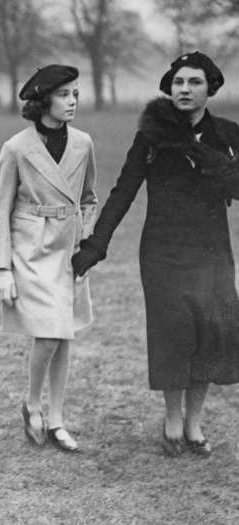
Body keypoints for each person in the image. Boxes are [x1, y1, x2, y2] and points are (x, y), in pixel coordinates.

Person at [72, 51, 239, 457]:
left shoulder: (229, 135)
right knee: (171, 335)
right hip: (163, 252)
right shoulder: (151, 136)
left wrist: (202, 156)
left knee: (208, 334)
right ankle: (172, 420)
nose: (185, 89)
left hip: (212, 251)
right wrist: (96, 244)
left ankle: (195, 423)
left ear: (210, 88)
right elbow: (124, 190)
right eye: (178, 82)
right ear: (169, 87)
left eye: (194, 82)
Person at [0, 65, 98, 453]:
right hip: (31, 249)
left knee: (63, 333)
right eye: (64, 94)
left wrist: (86, 240)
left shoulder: (84, 143)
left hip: (69, 251)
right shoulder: (17, 148)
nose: (72, 101)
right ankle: (33, 402)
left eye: (75, 94)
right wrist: (1, 267)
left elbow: (89, 197)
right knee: (52, 330)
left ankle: (56, 419)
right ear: (43, 100)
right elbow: (0, 210)